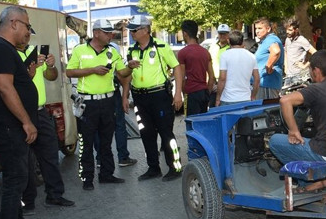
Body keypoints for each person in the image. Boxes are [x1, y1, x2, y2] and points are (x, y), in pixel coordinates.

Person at [0, 6, 45, 219]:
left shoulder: (7, 50)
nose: (28, 32)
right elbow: (5, 88)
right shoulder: (0, 48)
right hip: (9, 127)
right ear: (14, 23)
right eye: (27, 26)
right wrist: (26, 121)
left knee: (21, 177)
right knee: (15, 180)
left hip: (14, 128)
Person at [66, 19, 132, 190]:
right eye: (107, 32)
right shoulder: (80, 50)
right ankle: (87, 178)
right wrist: (93, 70)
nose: (111, 35)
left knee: (106, 141)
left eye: (111, 32)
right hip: (88, 104)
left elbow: (122, 72)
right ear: (96, 33)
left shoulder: (111, 51)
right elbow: (69, 71)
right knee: (86, 143)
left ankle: (107, 174)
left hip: (108, 102)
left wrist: (130, 67)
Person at [270, 51, 326, 168]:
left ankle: (305, 179)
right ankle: (321, 180)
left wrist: (293, 131)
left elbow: (285, 101)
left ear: (316, 71)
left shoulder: (316, 89)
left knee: (274, 140)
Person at [122, 15, 184, 181]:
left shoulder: (161, 46)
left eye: (134, 30)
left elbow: (176, 68)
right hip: (140, 98)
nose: (132, 33)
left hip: (159, 96)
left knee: (166, 133)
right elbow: (127, 76)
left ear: (145, 30)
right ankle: (153, 167)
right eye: (131, 30)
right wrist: (124, 95)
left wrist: (178, 93)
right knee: (146, 133)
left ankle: (175, 167)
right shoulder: (131, 50)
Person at [16, 42, 75, 210]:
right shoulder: (9, 53)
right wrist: (30, 70)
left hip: (41, 111)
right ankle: (27, 202)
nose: (27, 35)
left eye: (29, 31)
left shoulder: (32, 50)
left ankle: (55, 195)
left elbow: (51, 76)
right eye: (25, 29)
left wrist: (51, 66)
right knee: (24, 160)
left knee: (50, 153)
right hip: (21, 113)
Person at [177, 20, 215, 116]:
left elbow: (182, 77)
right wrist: (208, 92)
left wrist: (182, 92)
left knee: (191, 123)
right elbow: (211, 77)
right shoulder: (205, 52)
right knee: (202, 122)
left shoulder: (182, 53)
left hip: (191, 93)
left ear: (185, 34)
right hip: (203, 92)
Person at [217, 30, 260, 105]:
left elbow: (222, 78)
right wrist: (253, 96)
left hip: (227, 98)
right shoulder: (252, 56)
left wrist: (218, 98)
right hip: (246, 97)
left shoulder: (224, 55)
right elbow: (257, 79)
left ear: (229, 41)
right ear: (242, 41)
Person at [254, 17, 283, 98]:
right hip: (263, 84)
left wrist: (268, 67)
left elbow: (276, 51)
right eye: (256, 28)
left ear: (268, 29)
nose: (257, 31)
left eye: (260, 28)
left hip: (267, 84)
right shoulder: (265, 41)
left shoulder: (271, 39)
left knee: (266, 109)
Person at [283, 18, 315, 85]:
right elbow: (286, 52)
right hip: (288, 75)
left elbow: (315, 53)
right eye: (286, 29)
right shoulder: (287, 39)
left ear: (296, 30)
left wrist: (305, 65)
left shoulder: (302, 40)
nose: (287, 32)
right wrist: (285, 66)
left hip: (298, 75)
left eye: (290, 30)